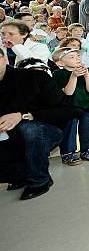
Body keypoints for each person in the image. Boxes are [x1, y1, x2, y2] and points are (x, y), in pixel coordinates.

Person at [0, 48, 76, 199]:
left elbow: (65, 111)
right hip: (9, 132)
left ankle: (40, 181)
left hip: (47, 129)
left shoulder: (35, 77)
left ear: (4, 59)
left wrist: (24, 115)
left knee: (29, 130)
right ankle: (20, 176)